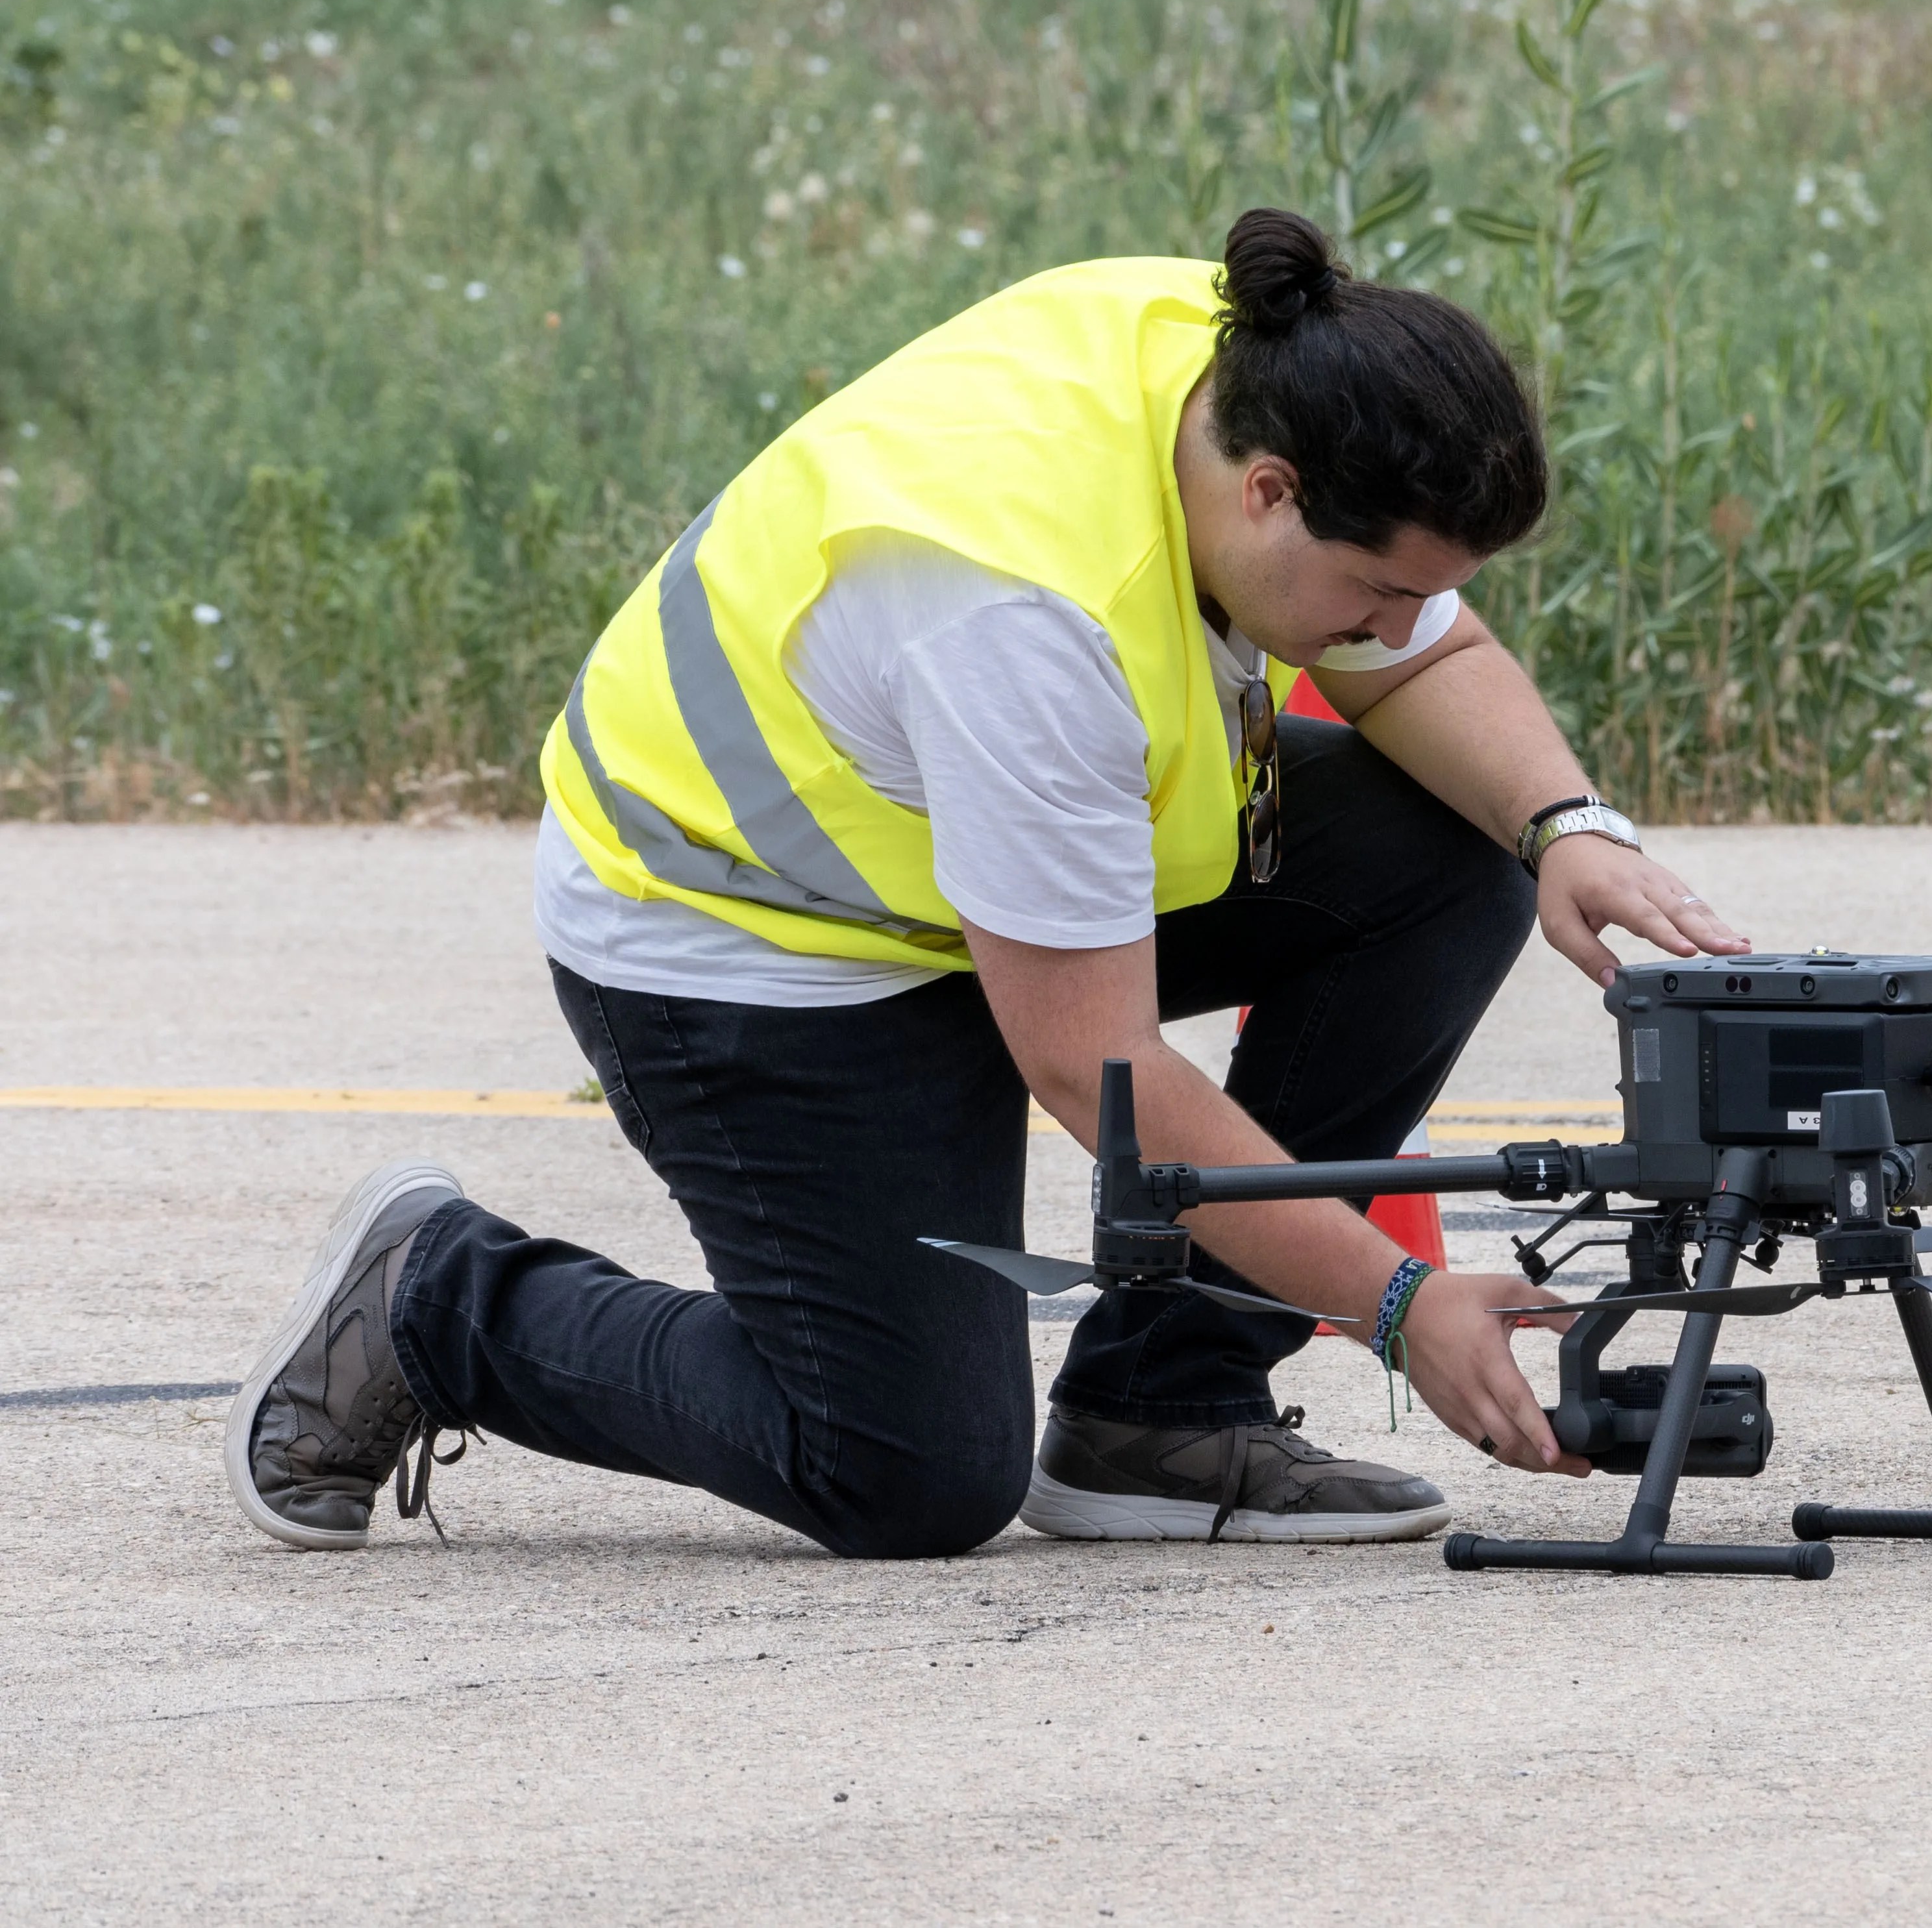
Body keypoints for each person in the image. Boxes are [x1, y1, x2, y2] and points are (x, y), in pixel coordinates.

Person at [225, 209, 1751, 1559]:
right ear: (1276, 494)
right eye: (1382, 589)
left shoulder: (1242, 359)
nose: (1405, 624)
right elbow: (1105, 1077)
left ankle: (1164, 1410)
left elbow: (1433, 660)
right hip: (746, 940)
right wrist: (1400, 1309)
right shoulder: (1023, 621)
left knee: (1453, 855)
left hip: (974, 865)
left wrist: (1568, 828)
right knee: (904, 1477)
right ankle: (434, 1299)